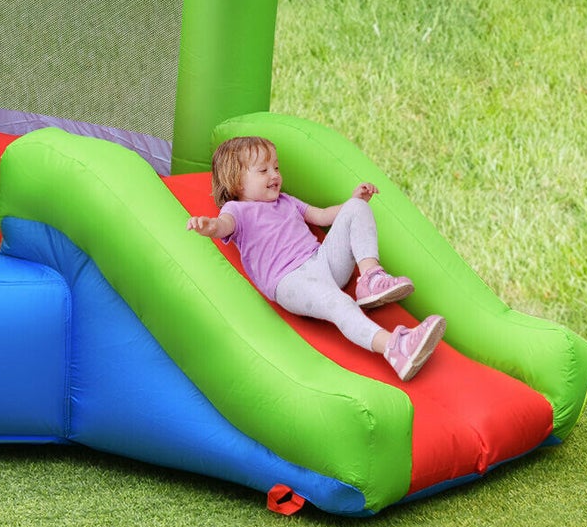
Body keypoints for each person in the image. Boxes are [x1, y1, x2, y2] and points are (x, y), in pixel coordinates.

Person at [185, 135, 446, 381]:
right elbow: (224, 225)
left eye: (276, 168)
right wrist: (209, 227)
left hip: (322, 261)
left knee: (358, 208)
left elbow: (321, 216)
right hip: (290, 281)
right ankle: (395, 347)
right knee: (340, 304)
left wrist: (353, 202)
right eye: (263, 171)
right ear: (236, 182)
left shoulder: (286, 201)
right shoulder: (237, 210)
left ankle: (371, 278)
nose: (275, 175)